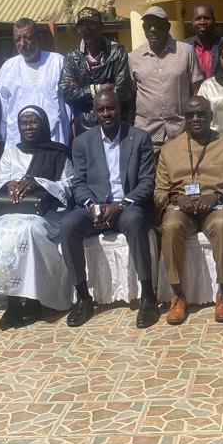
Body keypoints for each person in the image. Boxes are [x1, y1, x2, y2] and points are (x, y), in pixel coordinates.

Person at [59, 90, 158, 328]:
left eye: (111, 108)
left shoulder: (139, 138)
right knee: (68, 225)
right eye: (101, 110)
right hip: (95, 207)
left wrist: (120, 205)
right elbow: (78, 183)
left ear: (120, 109)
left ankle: (148, 297)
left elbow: (147, 181)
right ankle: (83, 298)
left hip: (127, 206)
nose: (106, 113)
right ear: (94, 113)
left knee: (135, 221)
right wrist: (92, 206)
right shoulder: (82, 142)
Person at [0, 106, 75, 330]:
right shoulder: (11, 152)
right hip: (12, 211)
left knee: (29, 231)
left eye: (34, 122)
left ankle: (33, 300)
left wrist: (38, 182)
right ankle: (13, 302)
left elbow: (68, 185)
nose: (29, 127)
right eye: (24, 123)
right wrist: (9, 183)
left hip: (48, 212)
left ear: (44, 125)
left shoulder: (58, 153)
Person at [154, 96, 223, 325]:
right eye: (190, 115)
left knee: (222, 224)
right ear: (184, 119)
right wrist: (176, 197)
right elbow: (159, 192)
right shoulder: (169, 149)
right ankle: (178, 295)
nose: (196, 119)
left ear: (211, 116)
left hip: (216, 207)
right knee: (171, 225)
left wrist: (216, 196)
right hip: (181, 209)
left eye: (201, 114)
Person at [128, 5, 204, 149]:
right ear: (143, 28)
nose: (152, 29)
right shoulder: (133, 57)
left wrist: (187, 124)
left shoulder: (186, 52)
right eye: (148, 25)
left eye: (157, 24)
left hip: (180, 131)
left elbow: (197, 91)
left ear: (167, 26)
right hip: (146, 134)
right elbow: (131, 96)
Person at [0, 18, 70, 149]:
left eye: (28, 38)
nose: (22, 44)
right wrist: (1, 139)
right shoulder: (8, 67)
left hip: (54, 140)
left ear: (38, 38)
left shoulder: (57, 62)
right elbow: (2, 109)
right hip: (17, 142)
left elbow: (68, 104)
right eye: (17, 40)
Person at [61, 6, 132, 136]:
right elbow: (68, 94)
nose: (87, 30)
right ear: (78, 29)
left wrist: (82, 90)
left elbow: (122, 91)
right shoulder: (72, 57)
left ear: (101, 26)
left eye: (92, 24)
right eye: (83, 26)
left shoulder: (117, 52)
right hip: (85, 127)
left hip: (114, 124)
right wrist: (99, 88)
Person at [186, 4, 222, 78]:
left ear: (214, 20)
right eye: (198, 18)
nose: (202, 22)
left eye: (207, 18)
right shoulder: (183, 47)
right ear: (192, 21)